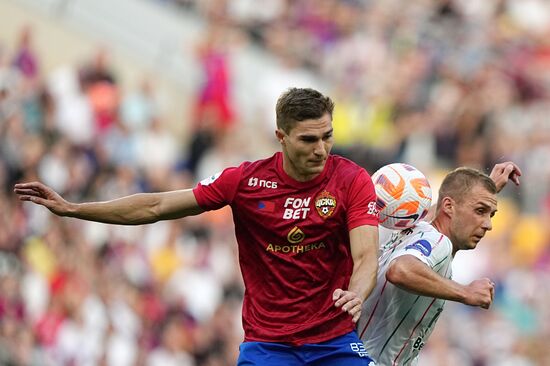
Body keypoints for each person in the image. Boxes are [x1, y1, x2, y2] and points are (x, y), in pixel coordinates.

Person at [14, 87, 379, 365]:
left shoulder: (351, 180)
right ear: (281, 137)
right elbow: (157, 205)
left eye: (327, 136)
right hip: (269, 344)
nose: (321, 149)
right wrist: (75, 209)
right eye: (309, 139)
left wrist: (357, 294)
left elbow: (366, 256)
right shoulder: (245, 182)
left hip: (333, 339)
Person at [357, 162, 522, 366]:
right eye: (480, 211)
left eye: (491, 214)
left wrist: (487, 188)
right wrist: (465, 292)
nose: (488, 225)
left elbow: (443, 208)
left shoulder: (418, 228)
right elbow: (400, 270)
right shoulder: (439, 243)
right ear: (448, 206)